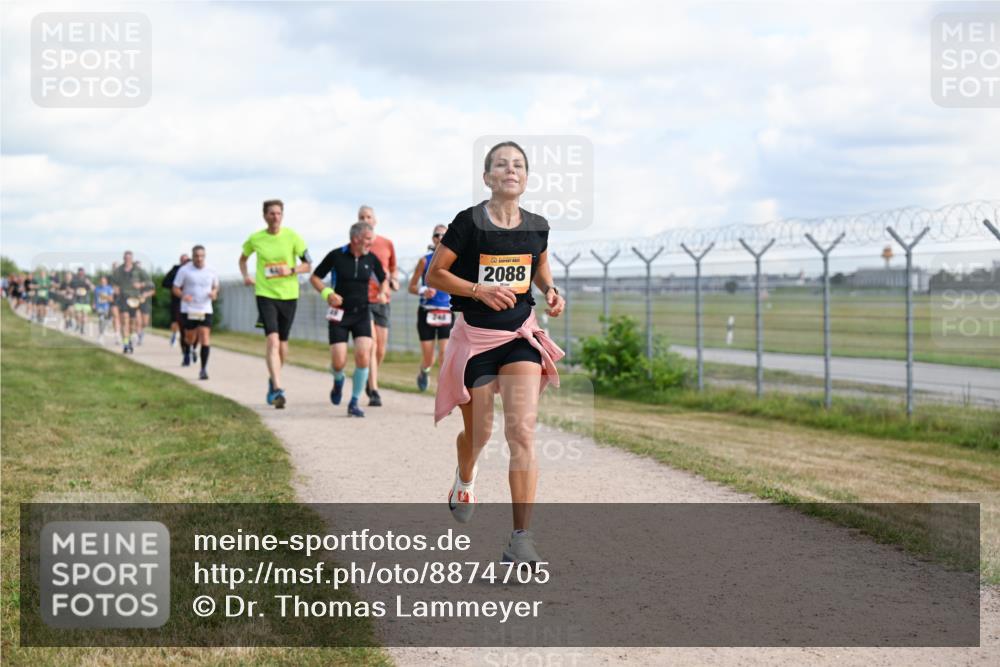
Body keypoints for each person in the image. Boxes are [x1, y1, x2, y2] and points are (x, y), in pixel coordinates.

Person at [427, 141, 566, 569]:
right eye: (501, 164)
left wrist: (550, 290)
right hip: (476, 340)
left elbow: (538, 264)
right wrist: (478, 290)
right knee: (480, 434)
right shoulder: (468, 223)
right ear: (487, 177)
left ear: (526, 178)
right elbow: (436, 273)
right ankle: (465, 476)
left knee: (521, 433)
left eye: (518, 165)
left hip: (520, 335)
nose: (510, 170)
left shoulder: (538, 226)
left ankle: (520, 540)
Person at [309, 222, 389, 417]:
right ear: (356, 239)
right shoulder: (336, 255)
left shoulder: (371, 258)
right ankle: (338, 380)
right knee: (339, 362)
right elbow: (315, 278)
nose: (371, 243)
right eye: (368, 239)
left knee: (363, 356)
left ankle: (354, 402)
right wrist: (328, 293)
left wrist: (382, 292)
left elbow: (384, 279)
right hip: (339, 315)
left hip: (362, 313)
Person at [239, 199, 311, 409]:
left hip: (289, 295)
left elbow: (308, 265)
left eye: (278, 213)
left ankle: (273, 378)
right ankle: (279, 389)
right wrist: (246, 276)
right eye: (271, 213)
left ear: (282, 215)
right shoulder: (256, 238)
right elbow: (242, 259)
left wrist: (291, 270)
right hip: (265, 294)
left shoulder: (293, 237)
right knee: (272, 340)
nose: (275, 217)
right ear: (264, 216)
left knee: (283, 345)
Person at [357, 205, 398, 407]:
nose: (365, 220)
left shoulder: (386, 243)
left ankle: (369, 376)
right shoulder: (355, 245)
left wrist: (394, 281)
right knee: (371, 345)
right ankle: (374, 390)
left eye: (368, 217)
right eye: (362, 217)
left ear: (375, 220)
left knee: (381, 348)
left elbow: (393, 268)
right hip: (363, 301)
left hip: (383, 300)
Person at [408, 224, 453, 391]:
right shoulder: (424, 261)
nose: (440, 238)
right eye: (437, 235)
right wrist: (423, 290)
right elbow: (411, 286)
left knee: (445, 355)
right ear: (432, 239)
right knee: (429, 358)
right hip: (427, 312)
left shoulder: (455, 260)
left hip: (446, 312)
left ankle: (444, 391)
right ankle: (424, 371)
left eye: (443, 235)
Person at [173, 245, 219, 380]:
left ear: (205, 256)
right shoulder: (184, 270)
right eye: (196, 256)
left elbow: (216, 286)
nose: (199, 259)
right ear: (192, 257)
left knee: (205, 336)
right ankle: (189, 349)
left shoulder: (211, 270)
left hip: (205, 308)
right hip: (189, 308)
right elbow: (175, 288)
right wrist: (183, 296)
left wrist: (214, 293)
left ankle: (203, 369)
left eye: (201, 256)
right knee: (190, 337)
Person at [112, 251, 150, 354]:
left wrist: (141, 284)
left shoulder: (138, 270)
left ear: (132, 259)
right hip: (123, 297)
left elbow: (149, 282)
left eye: (129, 258)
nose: (127, 260)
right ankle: (126, 344)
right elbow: (114, 282)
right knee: (125, 320)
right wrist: (115, 288)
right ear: (123, 259)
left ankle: (131, 339)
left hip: (134, 299)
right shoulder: (119, 270)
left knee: (133, 321)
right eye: (126, 258)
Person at [162, 254, 190, 348]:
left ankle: (188, 338)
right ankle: (175, 334)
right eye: (183, 260)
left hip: (190, 300)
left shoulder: (193, 271)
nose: (185, 262)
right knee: (175, 319)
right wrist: (176, 286)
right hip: (177, 299)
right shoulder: (175, 270)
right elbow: (165, 283)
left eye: (186, 260)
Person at [69, 267, 94, 334]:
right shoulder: (74, 280)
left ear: (84, 273)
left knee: (84, 315)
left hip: (86, 300)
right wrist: (73, 291)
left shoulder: (88, 279)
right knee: (78, 315)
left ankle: (82, 328)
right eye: (80, 272)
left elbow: (93, 288)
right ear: (78, 273)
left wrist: (89, 283)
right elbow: (69, 288)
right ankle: (78, 325)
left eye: (82, 272)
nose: (81, 274)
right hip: (77, 300)